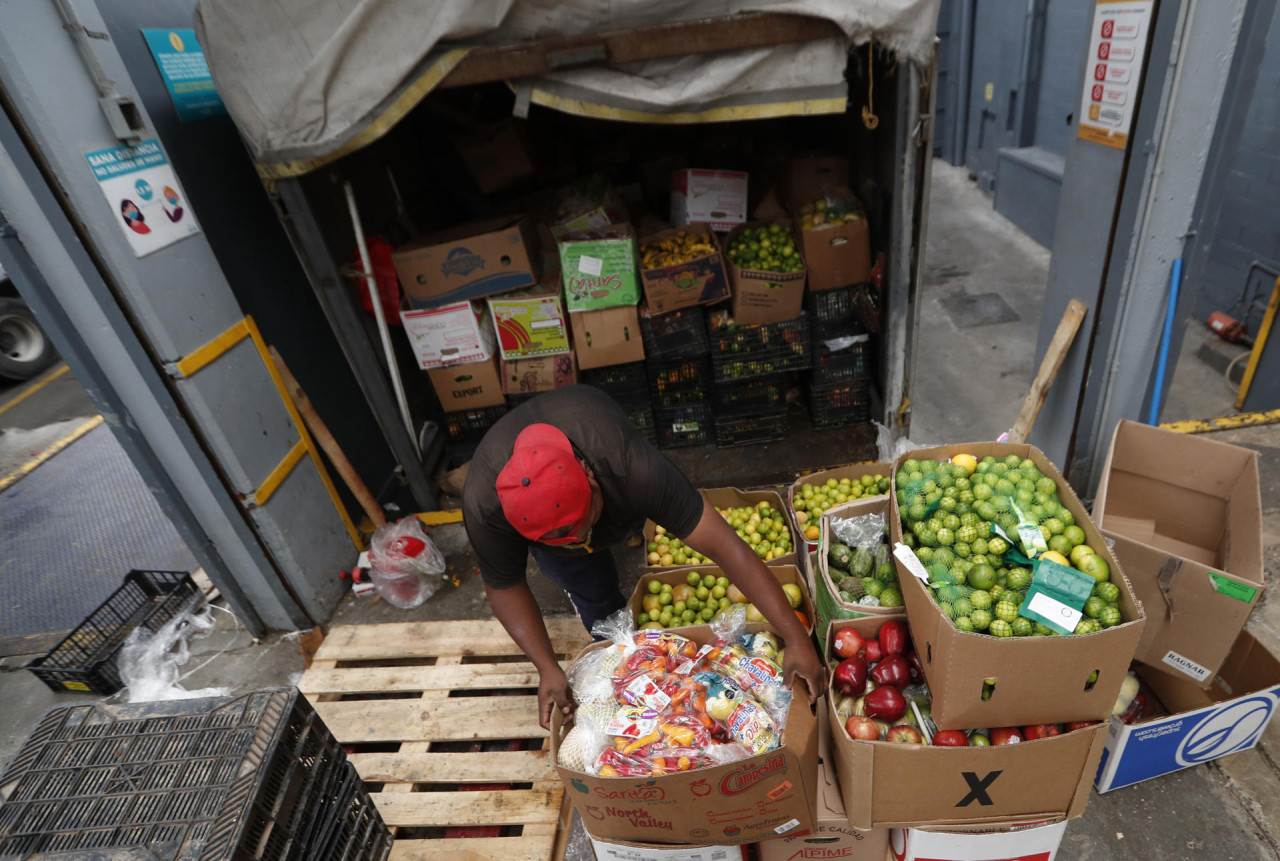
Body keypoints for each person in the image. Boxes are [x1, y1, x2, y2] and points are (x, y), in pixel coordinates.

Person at [463, 385, 825, 730]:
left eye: (585, 526)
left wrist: (795, 637)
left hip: (591, 421)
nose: (584, 540)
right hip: (554, 509)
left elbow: (725, 547)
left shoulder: (632, 468)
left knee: (620, 525)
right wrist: (545, 666)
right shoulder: (485, 508)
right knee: (589, 586)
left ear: (590, 476)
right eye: (566, 539)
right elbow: (504, 584)